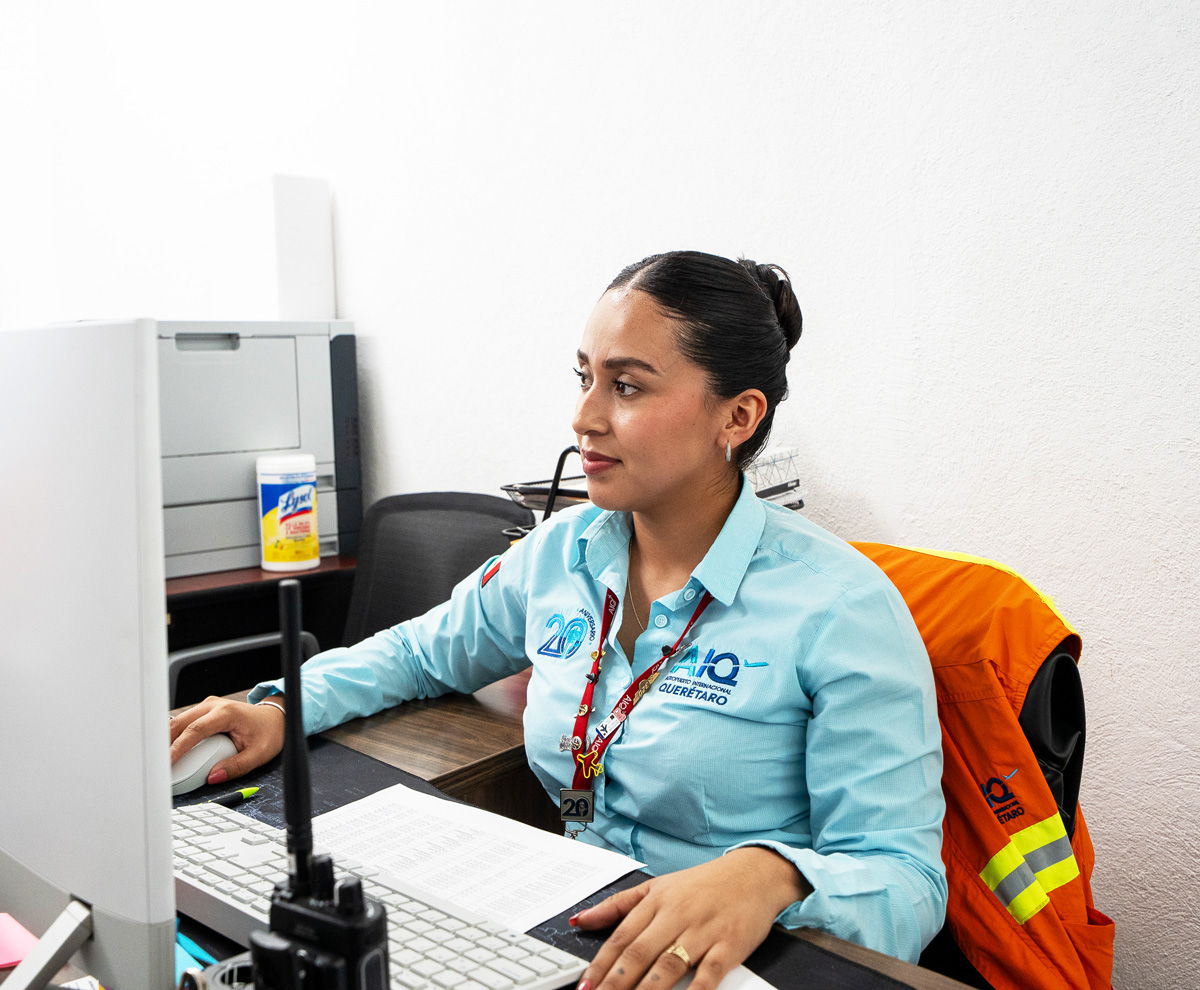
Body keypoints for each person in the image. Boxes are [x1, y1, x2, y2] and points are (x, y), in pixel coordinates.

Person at [171, 250, 947, 990]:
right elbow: (419, 653)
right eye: (584, 378)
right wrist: (279, 704)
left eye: (628, 387)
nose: (584, 417)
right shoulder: (561, 554)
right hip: (565, 930)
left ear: (737, 417)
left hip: (735, 959)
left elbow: (906, 884)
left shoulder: (841, 608)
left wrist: (773, 873)